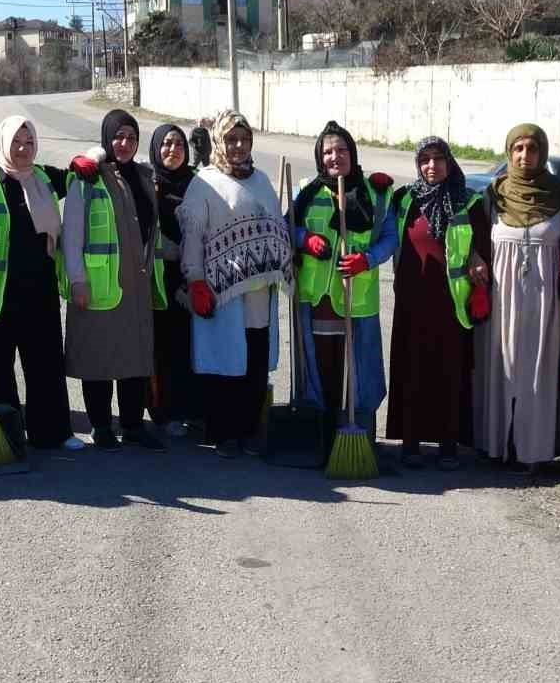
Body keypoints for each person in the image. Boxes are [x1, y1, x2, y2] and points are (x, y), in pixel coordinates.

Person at [0, 115, 81, 451]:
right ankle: (7, 435)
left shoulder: (44, 178)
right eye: (16, 143)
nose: (23, 149)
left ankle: (52, 432)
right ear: (3, 144)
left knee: (45, 362)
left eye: (29, 142)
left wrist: (88, 159)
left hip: (40, 290)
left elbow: (79, 174)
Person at [178, 111, 292, 458]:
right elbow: (193, 236)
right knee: (225, 363)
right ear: (218, 141)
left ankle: (249, 431)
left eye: (244, 139)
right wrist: (195, 279)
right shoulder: (205, 182)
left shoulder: (260, 180)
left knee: (255, 363)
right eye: (231, 139)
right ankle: (224, 434)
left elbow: (275, 224)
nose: (238, 146)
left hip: (259, 291)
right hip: (221, 291)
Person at [473, 123, 560, 474]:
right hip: (501, 298)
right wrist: (474, 261)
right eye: (518, 148)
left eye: (532, 149)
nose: (524, 156)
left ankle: (534, 450)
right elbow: (474, 243)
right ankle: (496, 444)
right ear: (508, 152)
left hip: (546, 302)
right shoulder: (493, 195)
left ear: (543, 153)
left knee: (539, 371)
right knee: (502, 367)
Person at [293, 121, 396, 459]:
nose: (334, 156)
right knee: (323, 370)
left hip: (357, 300)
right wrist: (304, 239)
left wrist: (367, 259)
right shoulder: (307, 191)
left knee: (358, 375)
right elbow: (285, 225)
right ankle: (322, 442)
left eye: (341, 150)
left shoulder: (376, 193)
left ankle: (359, 439)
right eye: (327, 151)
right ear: (320, 157)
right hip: (318, 298)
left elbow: (390, 239)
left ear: (352, 152)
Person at [386, 137, 490, 471]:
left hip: (450, 305)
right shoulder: (404, 198)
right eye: (425, 160)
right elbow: (380, 230)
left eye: (439, 159)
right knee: (412, 371)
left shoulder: (468, 201)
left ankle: (448, 445)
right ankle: (411, 443)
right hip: (411, 303)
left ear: (450, 162)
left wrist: (477, 257)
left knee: (449, 375)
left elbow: (484, 246)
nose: (432, 166)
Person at [63, 109, 162, 451]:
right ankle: (101, 425)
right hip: (99, 282)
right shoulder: (87, 177)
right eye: (118, 136)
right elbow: (72, 233)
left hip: (136, 282)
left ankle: (133, 424)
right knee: (98, 355)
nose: (124, 143)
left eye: (131, 137)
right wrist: (77, 279)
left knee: (134, 355)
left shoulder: (145, 177)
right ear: (106, 138)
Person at [147, 122, 198, 438]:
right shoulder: (146, 181)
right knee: (158, 348)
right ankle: (160, 412)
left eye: (179, 144)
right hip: (154, 279)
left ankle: (189, 409)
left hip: (190, 278)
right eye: (166, 143)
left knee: (187, 346)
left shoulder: (197, 183)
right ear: (155, 148)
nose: (173, 149)